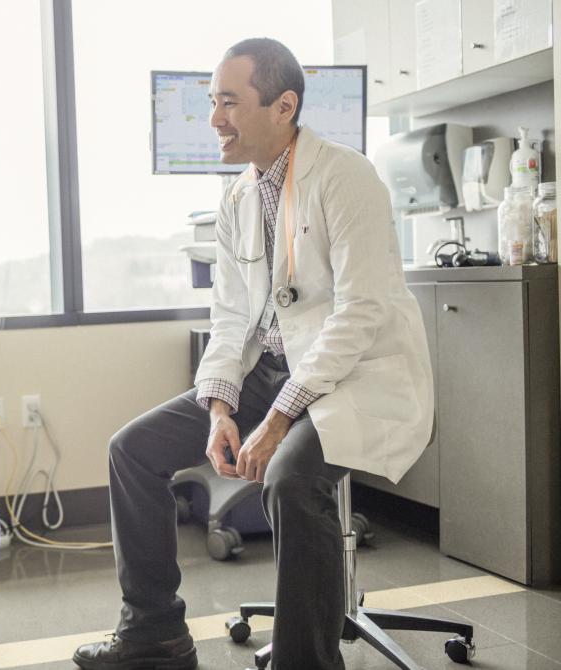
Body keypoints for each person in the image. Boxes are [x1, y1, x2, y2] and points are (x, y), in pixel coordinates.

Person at [72, 38, 433, 670]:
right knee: (133, 449)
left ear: (284, 105)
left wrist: (277, 418)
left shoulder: (346, 175)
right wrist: (218, 408)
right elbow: (232, 317)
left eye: (229, 103)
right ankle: (153, 632)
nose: (214, 119)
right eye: (213, 103)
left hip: (355, 376)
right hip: (274, 370)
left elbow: (360, 313)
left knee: (290, 479)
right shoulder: (238, 195)